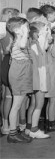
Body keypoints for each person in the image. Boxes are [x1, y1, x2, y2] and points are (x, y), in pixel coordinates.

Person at [6, 17, 33, 143]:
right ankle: (12, 134)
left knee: (18, 104)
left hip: (22, 71)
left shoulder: (19, 39)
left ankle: (15, 131)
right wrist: (25, 32)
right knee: (16, 105)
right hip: (19, 73)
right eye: (25, 27)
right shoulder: (19, 40)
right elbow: (22, 45)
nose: (27, 30)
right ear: (17, 30)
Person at [28, 21, 52, 139]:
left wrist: (45, 34)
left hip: (37, 76)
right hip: (39, 77)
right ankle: (34, 129)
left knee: (34, 104)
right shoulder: (35, 45)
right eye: (40, 32)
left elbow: (45, 45)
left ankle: (29, 127)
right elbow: (43, 48)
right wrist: (45, 33)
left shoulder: (34, 44)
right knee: (39, 104)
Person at [0, 8, 20, 136]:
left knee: (10, 96)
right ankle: (6, 123)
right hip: (7, 62)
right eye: (15, 16)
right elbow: (6, 50)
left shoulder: (12, 30)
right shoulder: (4, 29)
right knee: (7, 96)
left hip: (12, 62)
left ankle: (9, 123)